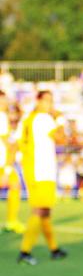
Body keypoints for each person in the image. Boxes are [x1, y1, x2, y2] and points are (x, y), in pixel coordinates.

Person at [16, 90, 68, 265]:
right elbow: (61, 139)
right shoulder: (43, 119)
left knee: (45, 211)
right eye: (47, 101)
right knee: (39, 210)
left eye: (51, 101)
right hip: (42, 170)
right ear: (38, 101)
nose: (50, 105)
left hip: (33, 169)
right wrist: (60, 119)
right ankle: (25, 251)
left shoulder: (28, 119)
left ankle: (54, 249)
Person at [0, 91, 25, 233]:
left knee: (15, 186)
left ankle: (11, 221)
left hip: (4, 162)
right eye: (2, 100)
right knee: (15, 186)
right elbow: (8, 144)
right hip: (2, 163)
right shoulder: (2, 117)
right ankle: (11, 221)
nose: (4, 103)